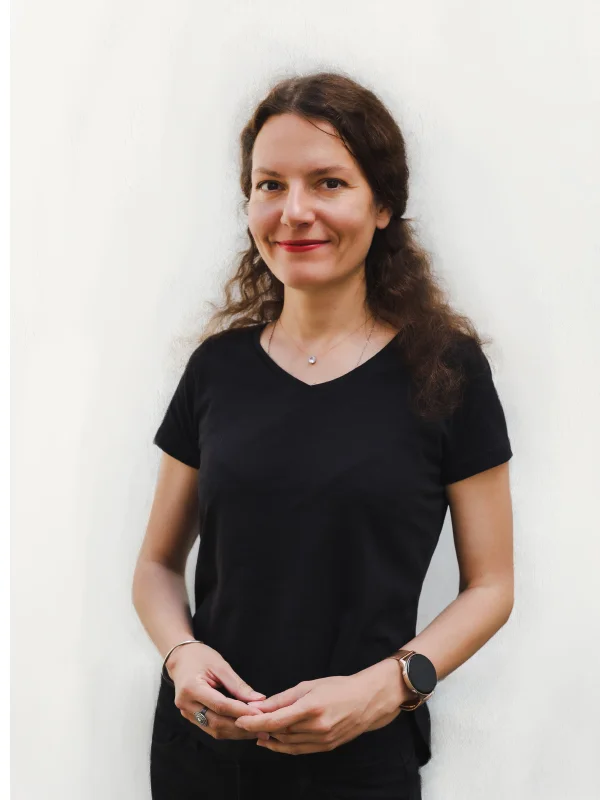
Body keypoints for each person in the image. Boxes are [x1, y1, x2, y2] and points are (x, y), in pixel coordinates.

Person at [132, 70, 514, 800]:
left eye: (329, 183)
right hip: (204, 757)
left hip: (362, 763)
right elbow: (156, 565)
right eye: (270, 185)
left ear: (383, 204)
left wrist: (389, 687)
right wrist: (181, 654)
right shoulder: (216, 368)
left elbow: (492, 585)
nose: (294, 211)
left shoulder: (447, 370)